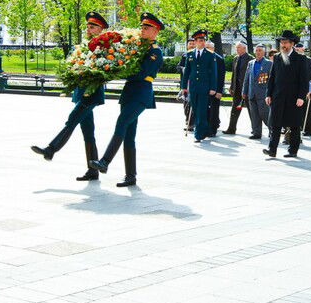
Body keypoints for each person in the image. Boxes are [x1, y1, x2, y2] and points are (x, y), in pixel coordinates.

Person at [31, 11, 109, 181]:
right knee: (88, 132)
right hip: (82, 92)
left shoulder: (103, 46)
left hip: (92, 93)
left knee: (72, 120)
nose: (89, 29)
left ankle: (51, 150)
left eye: (93, 26)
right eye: (88, 26)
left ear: (100, 29)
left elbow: (104, 70)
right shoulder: (82, 46)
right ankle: (92, 170)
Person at [88, 13, 164, 186]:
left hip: (141, 93)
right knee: (129, 135)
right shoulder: (136, 47)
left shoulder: (155, 51)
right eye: (142, 27)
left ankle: (105, 161)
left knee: (122, 123)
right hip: (129, 92)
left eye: (147, 28)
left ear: (155, 31)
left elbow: (141, 72)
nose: (142, 30)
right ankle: (131, 176)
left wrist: (119, 69)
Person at [264, 30, 310, 158]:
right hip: (278, 96)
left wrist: (301, 96)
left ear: (292, 44)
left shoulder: (300, 58)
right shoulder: (278, 57)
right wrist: (268, 94)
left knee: (294, 125)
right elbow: (272, 77)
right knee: (275, 124)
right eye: (281, 42)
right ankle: (272, 149)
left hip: (294, 98)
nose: (283, 45)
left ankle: (293, 150)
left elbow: (303, 80)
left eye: (285, 43)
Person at [179, 30, 217, 143]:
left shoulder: (210, 54)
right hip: (193, 87)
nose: (202, 42)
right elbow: (187, 72)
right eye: (199, 40)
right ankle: (203, 129)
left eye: (203, 40)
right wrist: (184, 86)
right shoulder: (190, 54)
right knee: (195, 109)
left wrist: (213, 88)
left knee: (201, 110)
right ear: (195, 42)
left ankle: (198, 134)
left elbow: (213, 73)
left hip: (205, 87)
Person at [242, 44, 272, 139]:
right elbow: (247, 78)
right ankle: (256, 132)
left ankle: (272, 131)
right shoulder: (251, 63)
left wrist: (270, 93)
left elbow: (271, 80)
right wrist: (244, 91)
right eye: (257, 50)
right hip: (252, 93)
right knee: (254, 114)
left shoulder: (269, 63)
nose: (258, 52)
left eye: (260, 50)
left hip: (263, 94)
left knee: (265, 114)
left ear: (264, 52)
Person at [222, 42, 253, 135]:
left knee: (251, 110)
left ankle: (256, 130)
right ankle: (231, 128)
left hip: (247, 88)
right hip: (237, 88)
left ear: (244, 48)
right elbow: (234, 74)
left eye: (238, 47)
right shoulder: (236, 58)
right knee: (234, 109)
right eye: (236, 48)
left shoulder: (250, 59)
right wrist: (232, 87)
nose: (237, 49)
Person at [294, 42, 311, 136]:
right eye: (297, 50)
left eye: (300, 50)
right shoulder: (293, 60)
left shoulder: (310, 61)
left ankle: (307, 130)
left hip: (306, 89)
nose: (298, 51)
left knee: (306, 110)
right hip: (295, 89)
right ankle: (297, 128)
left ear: (303, 50)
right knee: (296, 110)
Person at [205, 42, 225, 137]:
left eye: (208, 47)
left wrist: (219, 91)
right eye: (205, 47)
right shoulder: (203, 57)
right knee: (205, 110)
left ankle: (213, 129)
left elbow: (221, 77)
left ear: (213, 48)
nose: (206, 49)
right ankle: (205, 128)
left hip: (215, 90)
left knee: (214, 110)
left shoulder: (219, 59)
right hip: (204, 89)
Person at [176, 40, 195, 131]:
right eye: (190, 44)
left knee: (191, 103)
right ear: (187, 45)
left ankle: (190, 123)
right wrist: (184, 69)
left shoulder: (196, 55)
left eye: (193, 43)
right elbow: (178, 67)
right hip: (185, 84)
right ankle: (187, 119)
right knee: (185, 104)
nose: (192, 45)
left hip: (193, 84)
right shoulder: (184, 55)